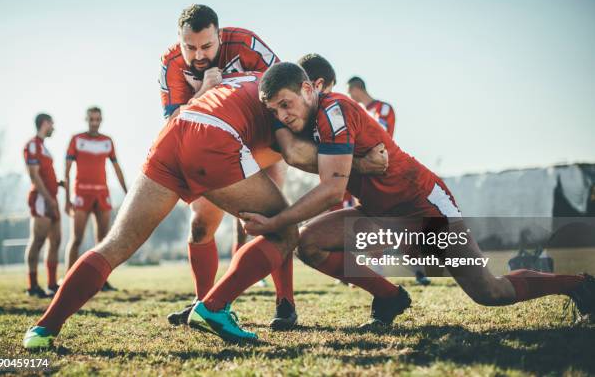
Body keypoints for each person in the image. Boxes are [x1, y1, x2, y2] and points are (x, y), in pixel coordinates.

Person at [22, 72, 388, 348]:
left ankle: (43, 329)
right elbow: (294, 154)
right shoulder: (283, 94)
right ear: (310, 86)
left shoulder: (250, 79)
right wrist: (357, 164)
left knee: (117, 242)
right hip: (211, 139)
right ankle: (213, 306)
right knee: (285, 231)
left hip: (173, 132)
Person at [238, 62, 594, 331]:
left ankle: (578, 284)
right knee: (310, 244)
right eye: (275, 112)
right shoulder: (308, 122)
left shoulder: (334, 109)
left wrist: (275, 221)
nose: (283, 116)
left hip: (423, 205)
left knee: (489, 291)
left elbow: (332, 188)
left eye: (286, 105)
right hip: (380, 213)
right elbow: (310, 161)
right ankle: (390, 298)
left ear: (308, 88)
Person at [160, 4, 292, 328]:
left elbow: (285, 93)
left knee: (274, 219)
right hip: (216, 149)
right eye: (190, 47)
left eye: (207, 45)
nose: (199, 54)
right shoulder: (171, 63)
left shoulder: (246, 45)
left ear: (220, 35)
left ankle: (285, 303)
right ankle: (202, 304)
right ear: (179, 41)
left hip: (262, 140)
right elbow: (173, 128)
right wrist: (204, 91)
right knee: (200, 224)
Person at [299, 54, 431, 287]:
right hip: (353, 170)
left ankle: (417, 267)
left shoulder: (379, 108)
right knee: (351, 219)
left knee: (392, 223)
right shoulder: (339, 110)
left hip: (380, 171)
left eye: (350, 92)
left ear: (357, 89)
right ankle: (363, 270)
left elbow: (378, 136)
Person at [64, 106, 127, 291]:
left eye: (97, 119)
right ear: (86, 119)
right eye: (91, 119)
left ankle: (101, 281)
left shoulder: (107, 141)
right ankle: (68, 280)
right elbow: (66, 172)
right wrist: (66, 199)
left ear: (101, 120)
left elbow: (117, 169)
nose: (94, 123)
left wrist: (127, 193)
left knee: (103, 241)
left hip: (102, 194)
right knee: (77, 239)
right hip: (81, 193)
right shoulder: (76, 140)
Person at [23, 113, 61, 298]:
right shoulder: (32, 144)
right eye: (52, 123)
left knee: (56, 240)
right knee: (38, 241)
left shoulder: (44, 147)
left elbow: (45, 173)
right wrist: (47, 198)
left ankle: (52, 284)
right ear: (45, 123)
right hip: (41, 198)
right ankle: (32, 286)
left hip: (52, 198)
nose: (54, 126)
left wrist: (58, 183)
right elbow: (33, 175)